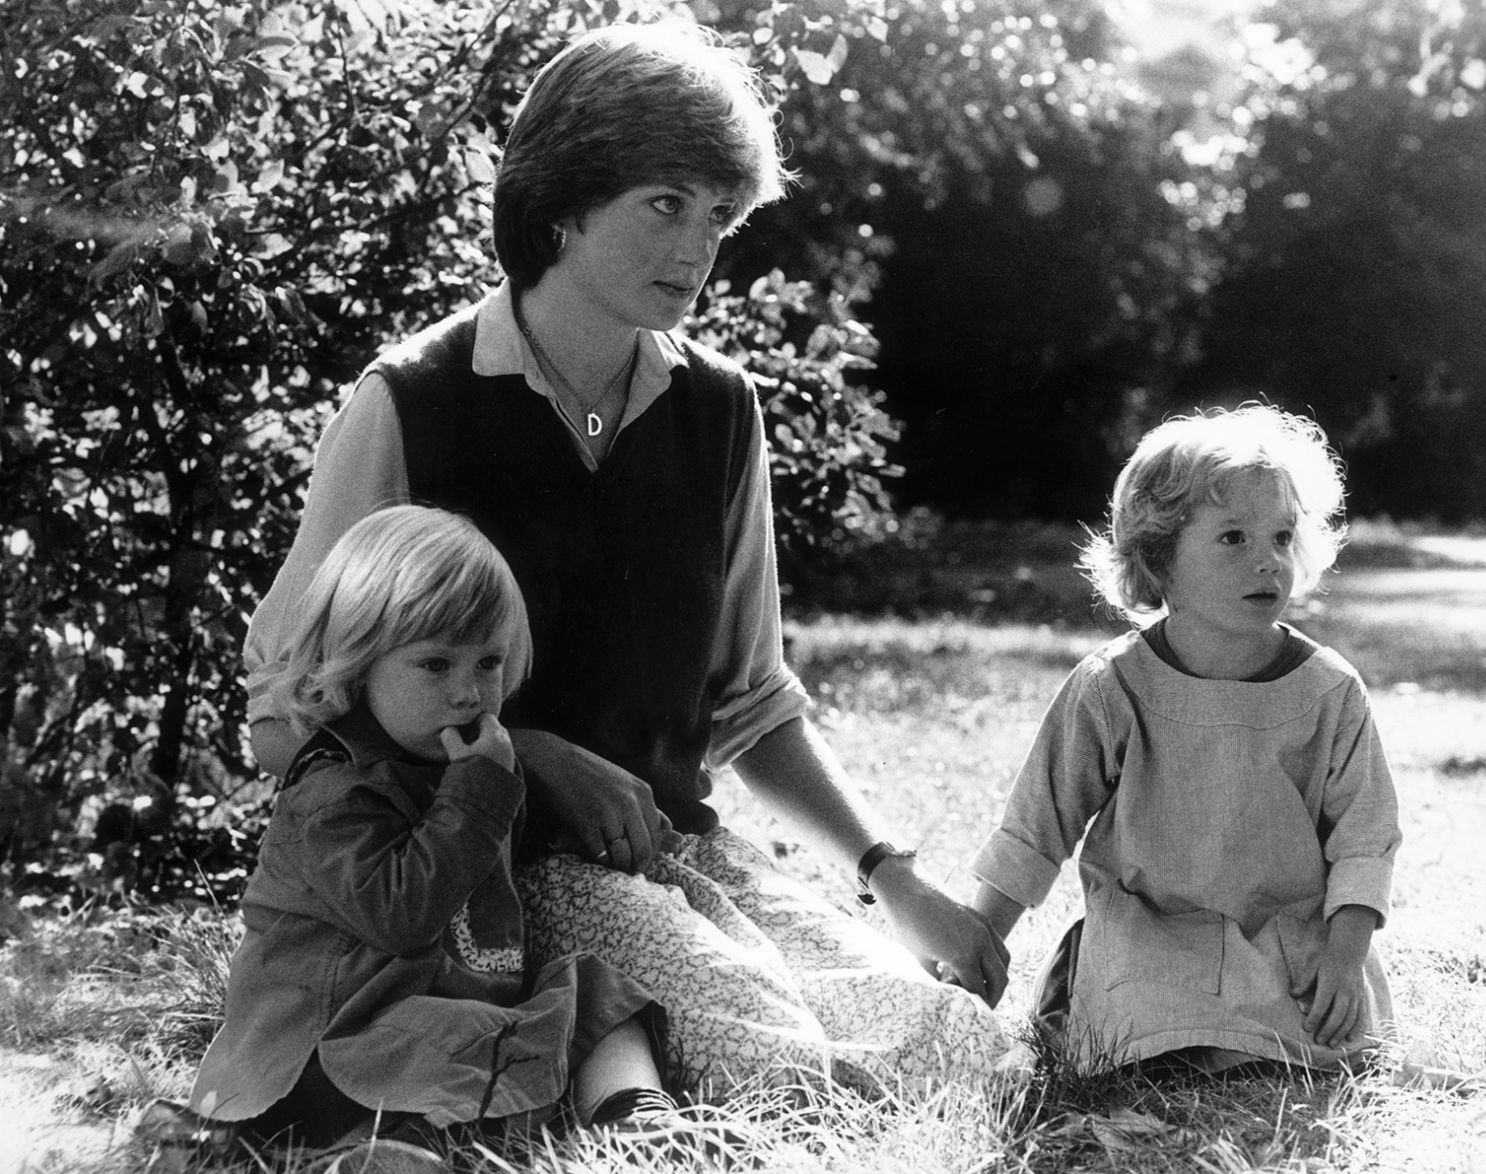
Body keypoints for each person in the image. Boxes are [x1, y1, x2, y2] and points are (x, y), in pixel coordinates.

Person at [243, 21, 1009, 1095]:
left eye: (717, 216)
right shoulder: (412, 400)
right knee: (777, 1064)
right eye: (664, 204)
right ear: (561, 203)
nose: (696, 249)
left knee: (954, 1046)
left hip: (672, 854)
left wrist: (892, 875)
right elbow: (292, 705)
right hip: (491, 883)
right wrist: (525, 750)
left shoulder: (720, 409)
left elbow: (750, 702)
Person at [184, 506, 677, 1167]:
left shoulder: (461, 766)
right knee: (439, 1044)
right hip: (335, 1041)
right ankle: (378, 1155)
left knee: (593, 990)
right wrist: (480, 796)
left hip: (440, 1006)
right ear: (354, 665)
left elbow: (489, 863)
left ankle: (631, 1114)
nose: (470, 693)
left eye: (489, 662)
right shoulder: (336, 791)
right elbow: (402, 915)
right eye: (435, 664)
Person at [967, 404, 1401, 1075]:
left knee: (1315, 1034)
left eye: (1282, 537)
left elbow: (1365, 838)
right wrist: (976, 945)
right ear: (1159, 559)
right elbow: (1037, 826)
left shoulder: (1329, 692)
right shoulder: (1112, 686)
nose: (1267, 561)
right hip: (1152, 932)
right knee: (1137, 1028)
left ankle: (1244, 1036)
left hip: (1282, 934)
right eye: (1233, 538)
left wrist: (1345, 959)